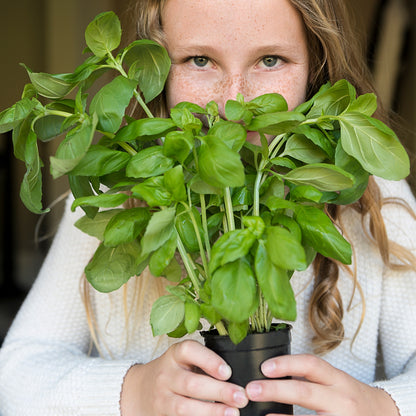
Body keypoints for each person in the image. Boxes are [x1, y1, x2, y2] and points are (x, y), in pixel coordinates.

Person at [0, 0, 415, 415]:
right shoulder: (118, 190)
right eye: (200, 60)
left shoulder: (371, 194)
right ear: (155, 68)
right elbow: (16, 373)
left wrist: (384, 407)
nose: (231, 102)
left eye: (270, 60)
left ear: (317, 67)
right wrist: (133, 393)